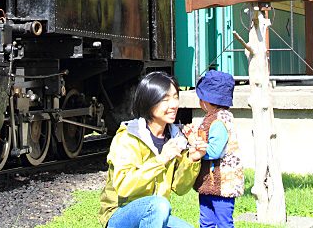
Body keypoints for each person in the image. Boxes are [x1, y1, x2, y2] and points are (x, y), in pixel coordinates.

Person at [99, 72, 208, 228]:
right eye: (165, 99)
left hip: (156, 213)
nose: (174, 105)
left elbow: (180, 188)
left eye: (176, 97)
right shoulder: (129, 137)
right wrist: (160, 160)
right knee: (158, 204)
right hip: (120, 214)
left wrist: (192, 158)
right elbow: (124, 187)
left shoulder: (174, 136)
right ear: (149, 103)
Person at [192, 70, 244, 228]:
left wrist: (196, 150)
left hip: (223, 185)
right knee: (206, 220)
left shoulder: (219, 121)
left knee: (223, 222)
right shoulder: (213, 118)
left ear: (206, 101)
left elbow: (214, 151)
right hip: (209, 183)